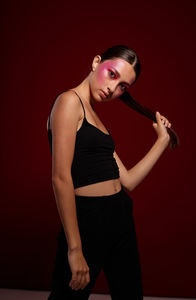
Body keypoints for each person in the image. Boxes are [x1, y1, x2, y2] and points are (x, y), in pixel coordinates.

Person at [46, 45, 172, 300]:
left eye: (123, 86)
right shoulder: (69, 102)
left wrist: (161, 141)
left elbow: (128, 181)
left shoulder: (96, 118)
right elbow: (61, 177)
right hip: (88, 221)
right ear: (96, 62)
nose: (113, 89)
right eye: (113, 75)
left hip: (120, 216)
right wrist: (75, 248)